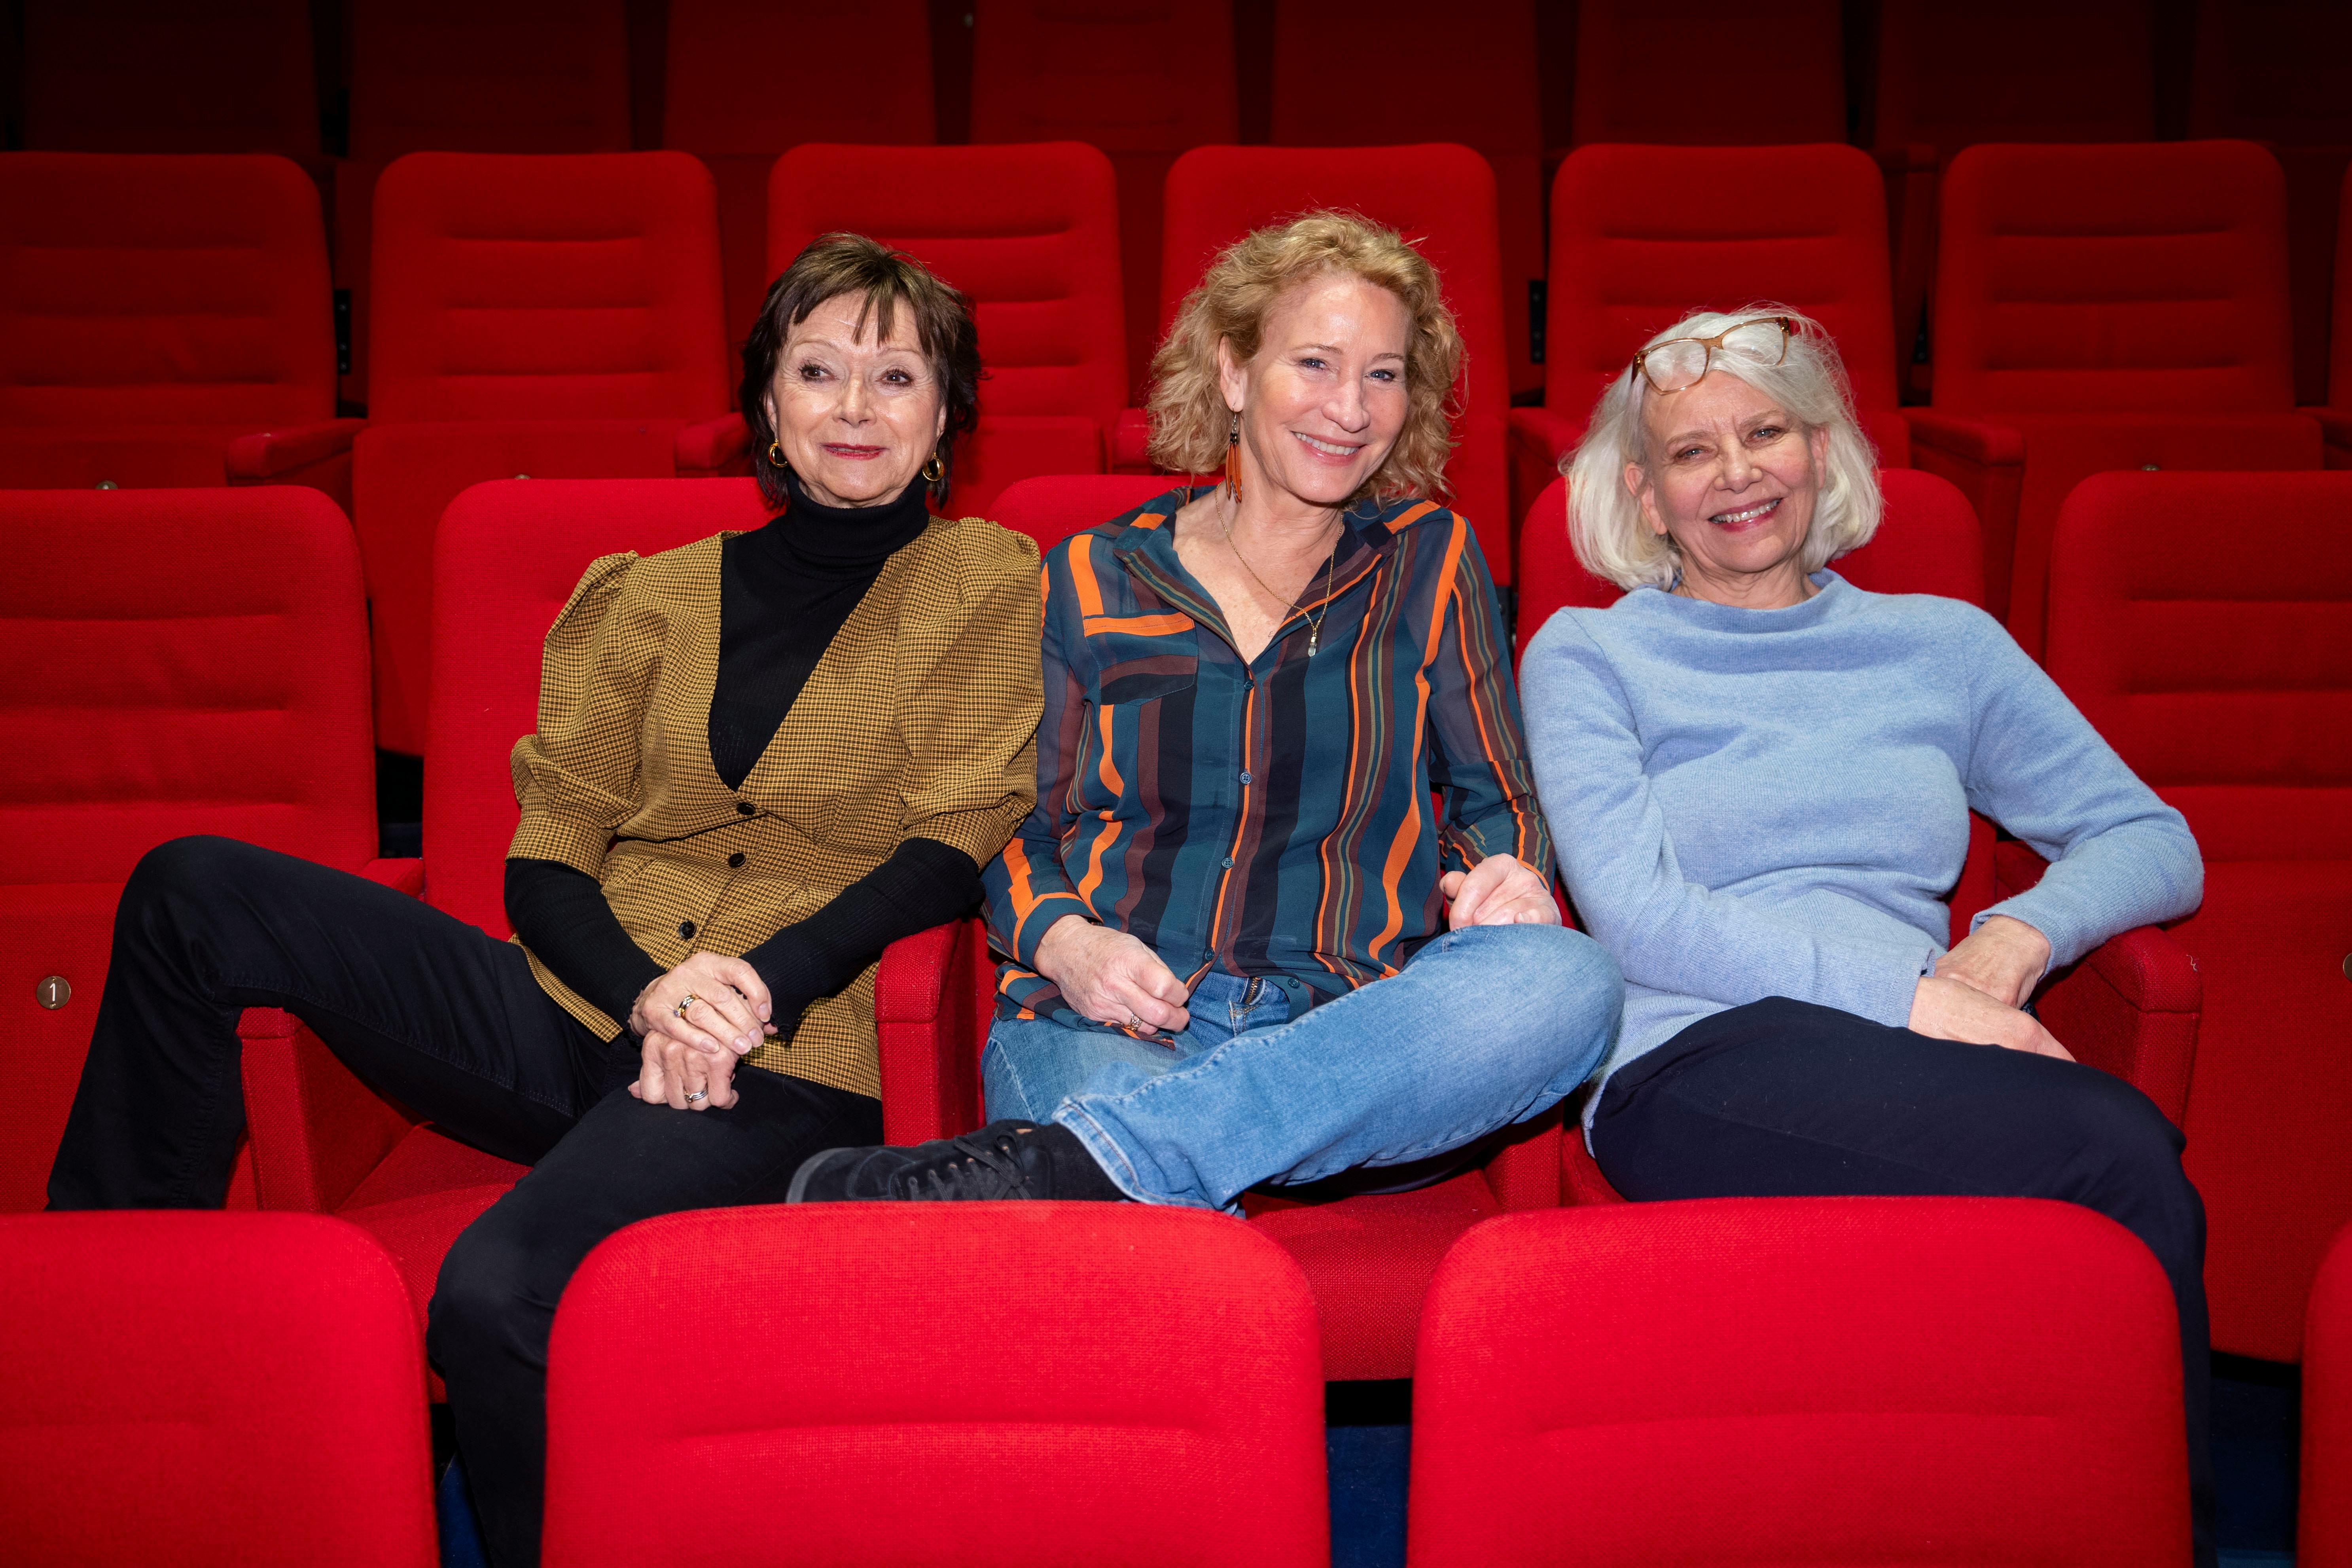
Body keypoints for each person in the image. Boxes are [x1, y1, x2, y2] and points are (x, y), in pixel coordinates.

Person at [46, 233, 1043, 1568]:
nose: (853, 408)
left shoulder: (988, 581)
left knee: (497, 1296)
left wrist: (750, 985)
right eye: (818, 370)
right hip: (591, 1002)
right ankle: (112, 1345)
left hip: (795, 1053)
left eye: (895, 377)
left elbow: (953, 837)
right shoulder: (647, 594)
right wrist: (650, 994)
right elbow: (550, 848)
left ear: (942, 420)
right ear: (764, 403)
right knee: (192, 888)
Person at [1516, 307, 2214, 1564]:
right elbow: (1639, 914)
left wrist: (2016, 935)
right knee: (2111, 1156)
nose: (1735, 474)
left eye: (1765, 432)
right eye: (1691, 452)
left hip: (1915, 1041)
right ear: (1644, 492)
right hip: (1693, 1053)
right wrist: (1913, 994)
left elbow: (2152, 837)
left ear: (1823, 452)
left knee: (2080, 1180)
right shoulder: (1594, 654)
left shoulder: (1941, 644)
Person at [788, 211, 1622, 1211]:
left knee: (1571, 983)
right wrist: (1064, 941)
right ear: (1232, 373)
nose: (1349, 408)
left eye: (1385, 375)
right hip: (1108, 1024)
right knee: (1158, 1255)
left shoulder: (1430, 560)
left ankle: (1077, 1166)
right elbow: (1012, 825)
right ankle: (1152, 1163)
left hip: (1347, 1028)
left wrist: (1509, 875)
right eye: (1314, 363)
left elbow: (1498, 799)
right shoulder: (1089, 575)